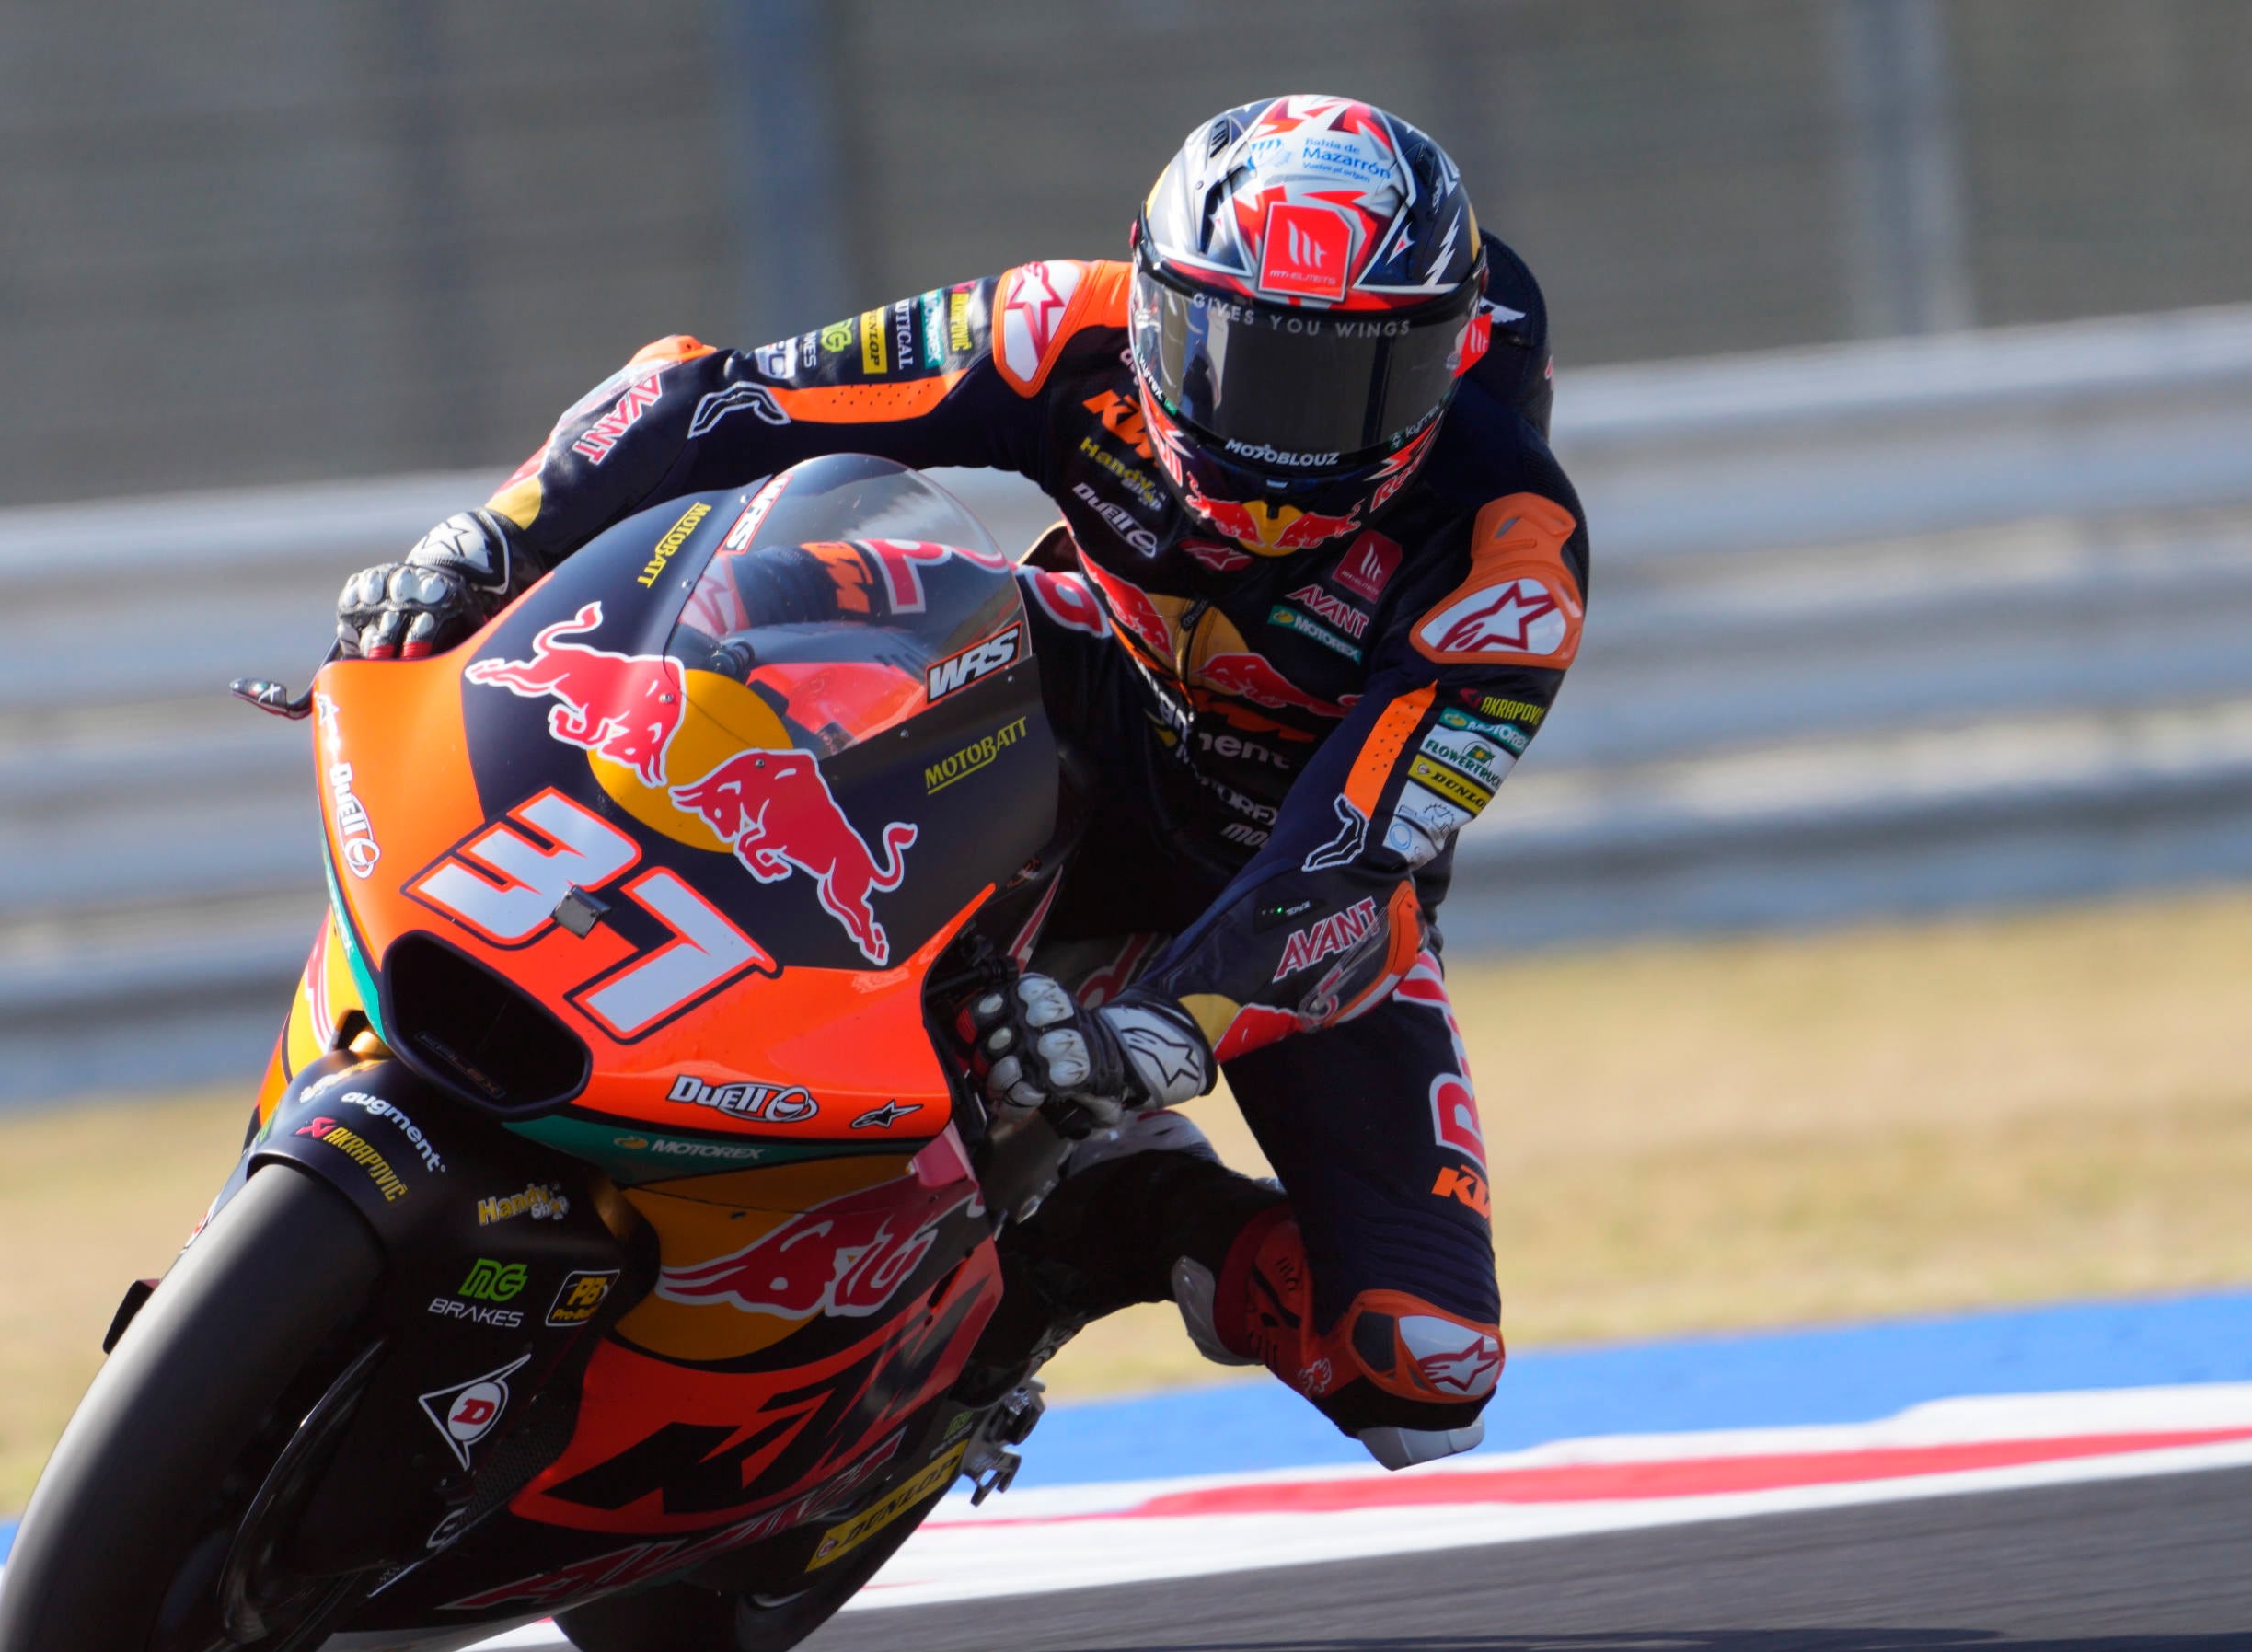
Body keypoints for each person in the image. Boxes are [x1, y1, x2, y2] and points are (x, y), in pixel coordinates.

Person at [334, 95, 1584, 1471]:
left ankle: (1110, 1224)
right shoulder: (1063, 325)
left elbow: (1353, 857)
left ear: (1454, 356)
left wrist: (1164, 1027)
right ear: (1158, 300)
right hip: (1048, 712)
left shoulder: (1508, 566)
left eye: (1358, 381)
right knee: (786, 596)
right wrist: (487, 543)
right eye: (1243, 360)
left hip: (1278, 895)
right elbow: (724, 396)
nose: (1287, 440)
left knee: (1422, 1368)